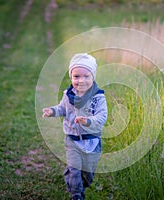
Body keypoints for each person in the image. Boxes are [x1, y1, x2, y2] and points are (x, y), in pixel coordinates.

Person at [42, 53, 107, 200]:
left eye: (86, 76)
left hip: (92, 141)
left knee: (88, 173)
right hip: (72, 139)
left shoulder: (98, 97)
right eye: (76, 76)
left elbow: (102, 116)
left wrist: (88, 121)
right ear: (71, 77)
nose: (81, 80)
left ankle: (81, 182)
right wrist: (52, 111)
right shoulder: (68, 94)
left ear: (93, 77)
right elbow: (62, 108)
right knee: (75, 169)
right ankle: (76, 194)